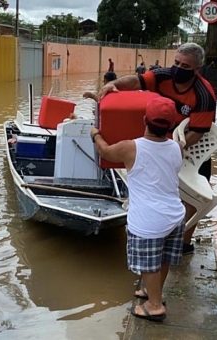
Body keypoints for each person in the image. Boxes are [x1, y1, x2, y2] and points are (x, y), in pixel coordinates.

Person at [99, 43, 216, 255]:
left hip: (192, 146)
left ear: (197, 69)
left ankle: (184, 242)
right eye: (176, 63)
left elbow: (198, 131)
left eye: (185, 66)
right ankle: (161, 233)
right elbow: (137, 81)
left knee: (193, 197)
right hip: (162, 138)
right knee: (163, 189)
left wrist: (175, 148)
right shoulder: (163, 75)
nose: (178, 68)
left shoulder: (204, 94)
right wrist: (114, 84)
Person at [90, 96, 186, 322]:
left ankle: (154, 305)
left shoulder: (130, 148)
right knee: (162, 259)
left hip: (148, 221)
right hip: (175, 216)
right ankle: (154, 294)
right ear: (171, 126)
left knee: (149, 264)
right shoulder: (178, 148)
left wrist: (95, 133)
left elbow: (104, 151)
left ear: (144, 119)